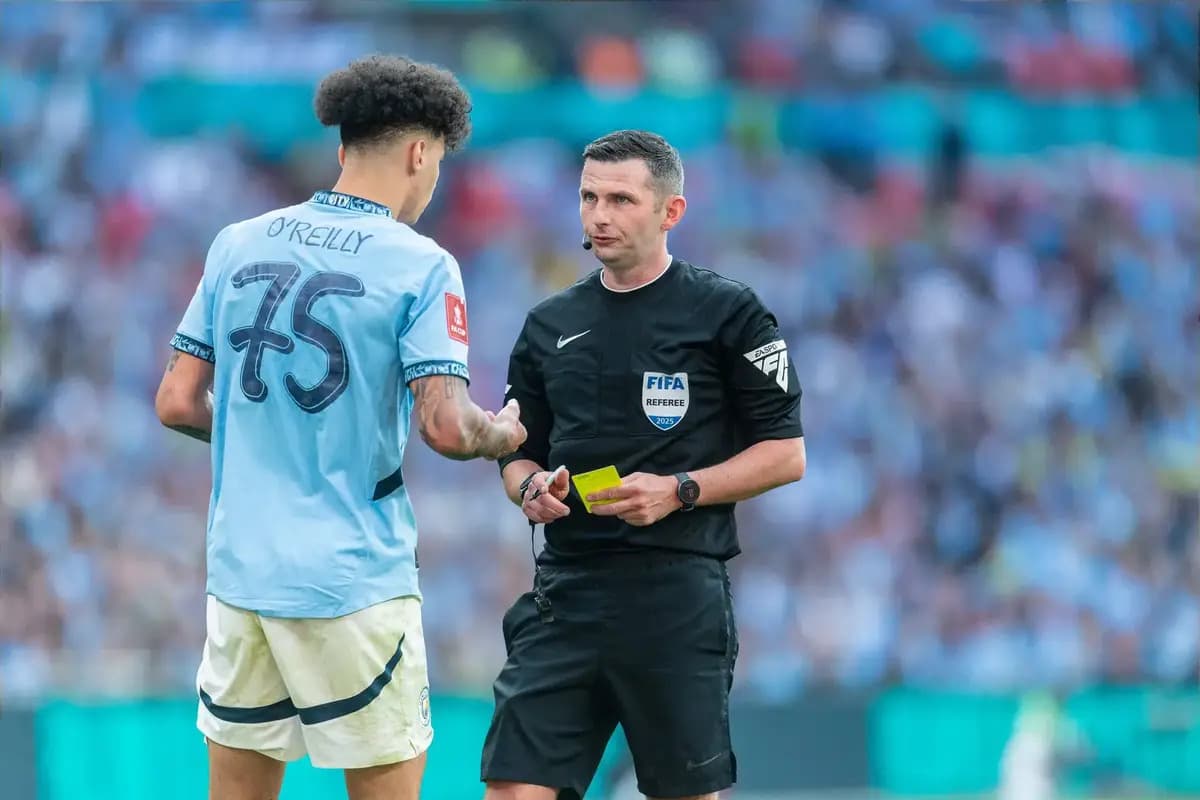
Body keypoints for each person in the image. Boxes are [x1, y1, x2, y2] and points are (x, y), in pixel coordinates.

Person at [154, 55, 526, 800]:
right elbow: (447, 427)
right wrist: (504, 433)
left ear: (342, 148)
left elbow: (177, 401)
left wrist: (266, 434)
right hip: (352, 582)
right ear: (421, 152)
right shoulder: (421, 265)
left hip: (241, 577)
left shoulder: (238, 241)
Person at [480, 129, 806, 800]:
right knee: (513, 788)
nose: (600, 215)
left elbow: (786, 454)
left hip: (676, 591)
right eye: (589, 197)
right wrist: (530, 488)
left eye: (622, 199)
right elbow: (518, 452)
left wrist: (681, 490)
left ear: (670, 211)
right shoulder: (548, 324)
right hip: (564, 591)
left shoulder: (728, 312)